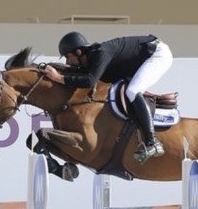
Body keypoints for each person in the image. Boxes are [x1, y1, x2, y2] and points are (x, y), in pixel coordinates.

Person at [43, 31, 173, 164]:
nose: (68, 61)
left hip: (158, 54)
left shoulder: (100, 52)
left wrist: (58, 77)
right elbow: (83, 76)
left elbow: (89, 81)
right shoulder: (92, 59)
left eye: (68, 57)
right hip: (140, 59)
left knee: (133, 91)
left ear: (78, 52)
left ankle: (153, 142)